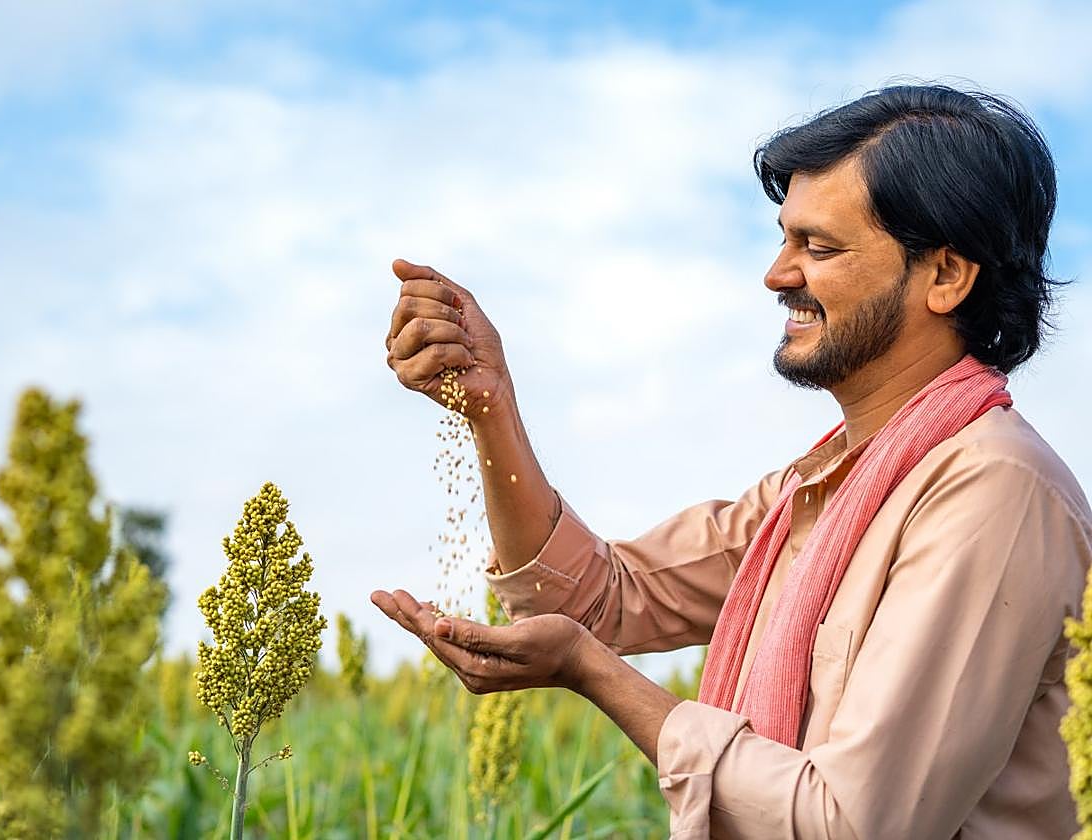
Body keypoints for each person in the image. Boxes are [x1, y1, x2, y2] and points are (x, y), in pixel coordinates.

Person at [372, 84, 1092, 838]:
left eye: (819, 247)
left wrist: (592, 672)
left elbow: (849, 825)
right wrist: (490, 406)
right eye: (785, 239)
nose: (778, 275)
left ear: (946, 275)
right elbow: (592, 599)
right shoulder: (817, 491)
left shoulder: (993, 491)